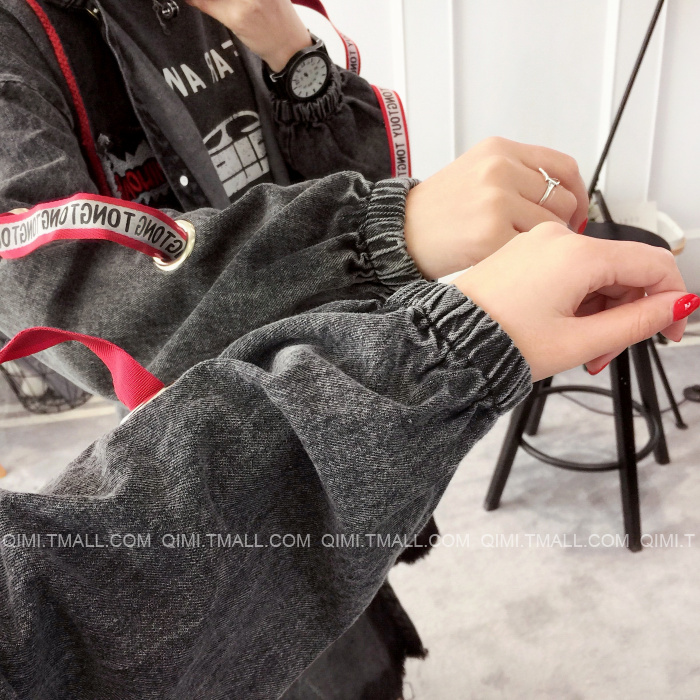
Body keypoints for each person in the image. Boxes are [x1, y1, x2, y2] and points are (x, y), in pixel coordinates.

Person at [0, 1, 696, 699]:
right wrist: (388, 235)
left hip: (349, 367)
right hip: (213, 420)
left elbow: (359, 174)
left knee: (351, 605)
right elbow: (65, 293)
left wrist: (288, 51)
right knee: (282, 636)